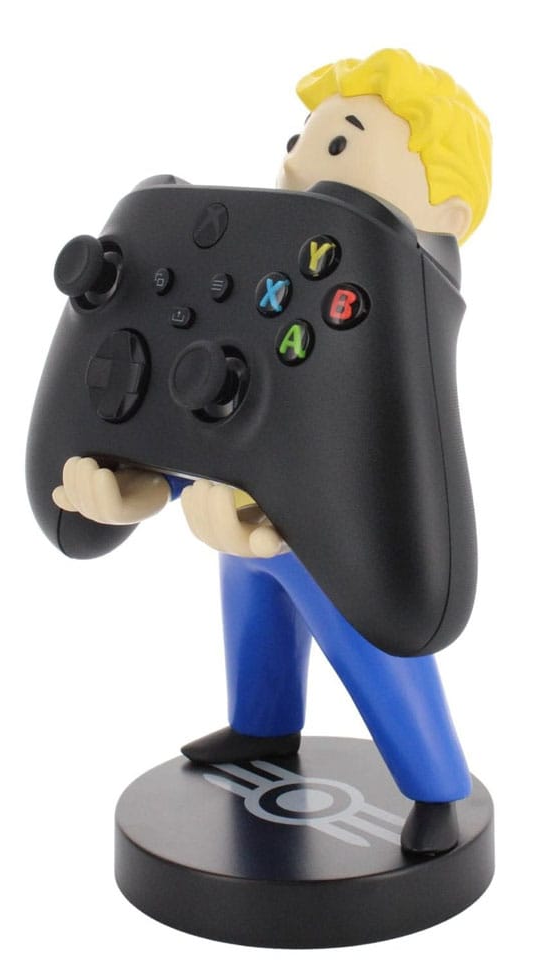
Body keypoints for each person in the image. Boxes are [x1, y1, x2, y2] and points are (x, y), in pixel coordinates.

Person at [52, 49, 492, 854]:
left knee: (369, 636)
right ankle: (261, 728)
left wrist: (272, 514)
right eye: (300, 140)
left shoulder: (385, 303)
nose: (294, 165)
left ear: (448, 214)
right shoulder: (279, 270)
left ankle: (436, 789)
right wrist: (134, 485)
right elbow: (212, 399)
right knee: (252, 600)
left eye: (338, 146)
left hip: (331, 536)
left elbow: (352, 449)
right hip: (235, 508)